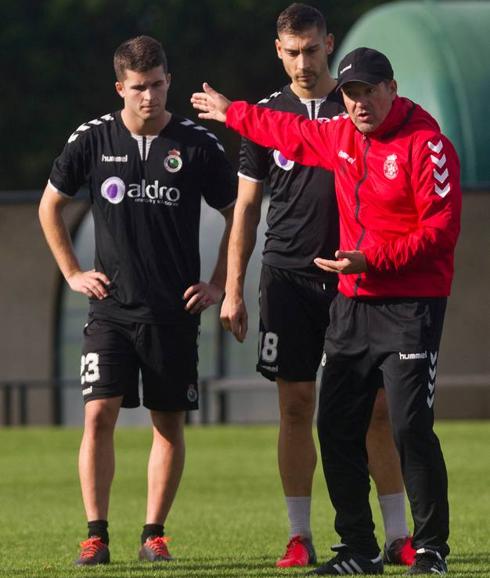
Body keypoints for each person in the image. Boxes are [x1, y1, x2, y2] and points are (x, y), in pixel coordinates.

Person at [191, 46, 461, 575]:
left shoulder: (427, 146)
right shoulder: (341, 136)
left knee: (408, 426)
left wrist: (370, 260)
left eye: (368, 92)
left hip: (410, 307)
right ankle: (358, 550)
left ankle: (430, 549)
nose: (359, 103)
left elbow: (440, 231)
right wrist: (233, 113)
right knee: (336, 425)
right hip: (354, 306)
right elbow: (285, 131)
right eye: (351, 94)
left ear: (391, 88)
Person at [220, 3, 414, 570]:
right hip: (287, 278)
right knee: (296, 405)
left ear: (329, 44)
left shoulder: (356, 103)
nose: (302, 62)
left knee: (378, 409)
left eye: (311, 49)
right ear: (277, 52)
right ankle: (299, 535)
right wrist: (233, 288)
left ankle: (398, 535)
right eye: (291, 52)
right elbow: (247, 209)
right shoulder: (263, 115)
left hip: (356, 276)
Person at [39, 35, 236, 565]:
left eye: (156, 85)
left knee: (167, 424)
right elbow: (49, 206)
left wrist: (220, 282)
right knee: (98, 413)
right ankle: (95, 535)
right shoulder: (93, 139)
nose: (147, 96)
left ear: (168, 80)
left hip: (174, 313)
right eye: (137, 88)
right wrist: (74, 271)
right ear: (119, 88)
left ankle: (153, 533)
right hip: (110, 310)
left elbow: (239, 211)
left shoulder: (197, 145)